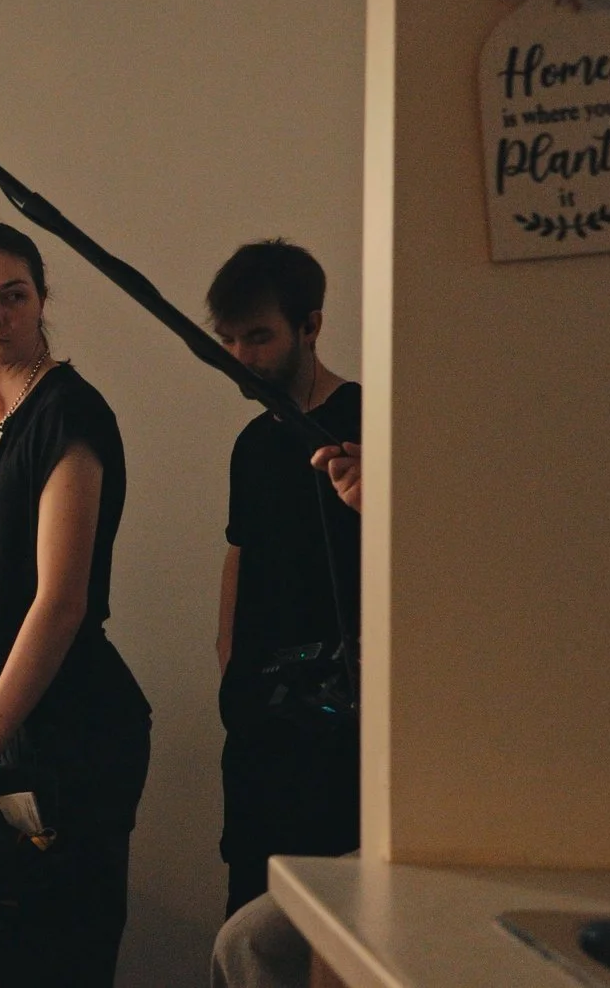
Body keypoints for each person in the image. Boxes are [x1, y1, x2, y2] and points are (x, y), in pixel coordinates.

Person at [0, 222, 152, 987]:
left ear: (42, 301)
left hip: (68, 731)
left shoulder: (68, 413)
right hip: (10, 727)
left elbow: (60, 603)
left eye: (13, 296)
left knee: (56, 962)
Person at [209, 239, 362, 917]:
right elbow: (240, 551)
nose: (241, 358)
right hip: (260, 734)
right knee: (249, 926)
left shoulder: (369, 424)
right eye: (229, 340)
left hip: (341, 743)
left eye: (259, 337)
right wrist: (228, 657)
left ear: (311, 325)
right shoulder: (253, 444)